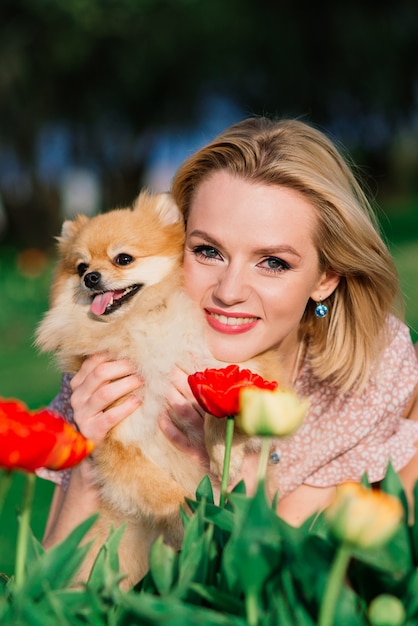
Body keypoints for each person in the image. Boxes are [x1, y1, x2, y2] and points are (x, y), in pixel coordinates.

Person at [42, 116, 418, 549]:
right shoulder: (108, 367)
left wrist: (214, 471)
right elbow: (50, 587)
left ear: (325, 277)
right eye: (208, 251)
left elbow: (294, 584)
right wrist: (95, 457)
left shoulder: (369, 377)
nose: (229, 291)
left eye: (273, 262)